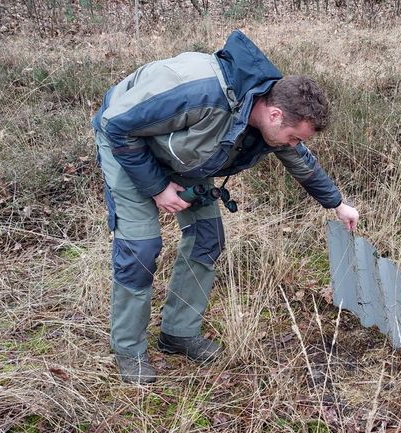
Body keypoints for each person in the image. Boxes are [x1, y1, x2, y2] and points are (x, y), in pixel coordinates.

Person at [91, 30, 359, 384]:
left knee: (207, 237)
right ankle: (128, 350)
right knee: (141, 248)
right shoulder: (199, 94)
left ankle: (178, 334)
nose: (294, 144)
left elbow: (299, 159)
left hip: (186, 154)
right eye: (294, 135)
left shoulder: (263, 115)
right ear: (276, 114)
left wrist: (337, 204)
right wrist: (156, 188)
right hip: (126, 145)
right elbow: (117, 127)